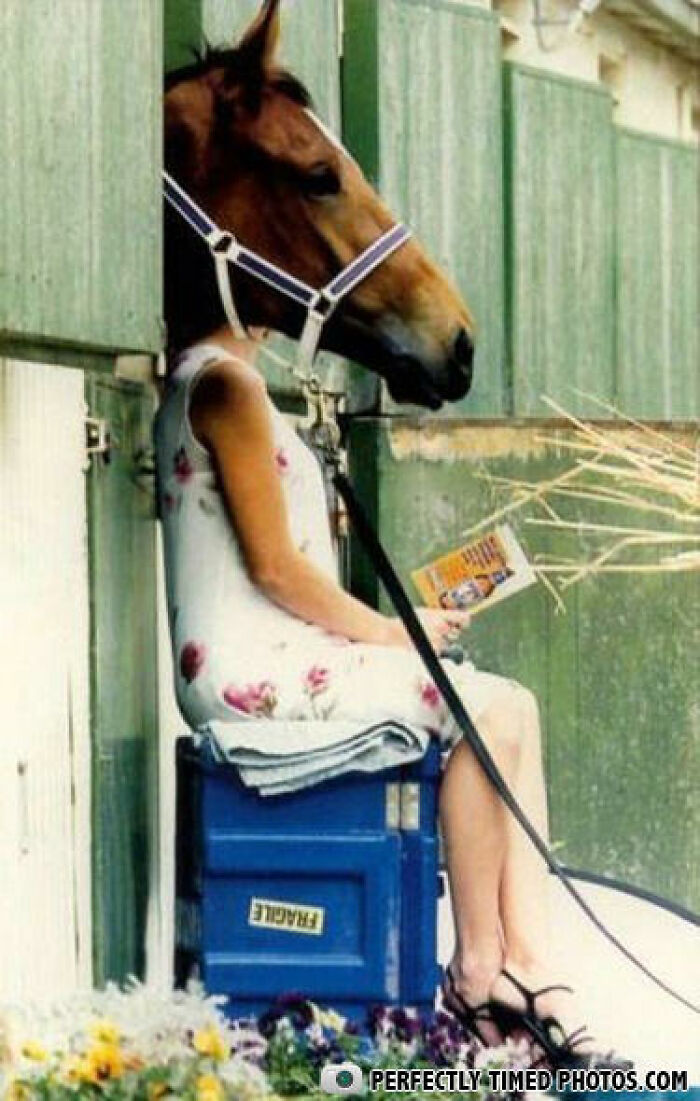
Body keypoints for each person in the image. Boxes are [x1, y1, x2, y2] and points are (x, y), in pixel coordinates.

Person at [155, 326, 602, 1065]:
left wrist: (386, 633)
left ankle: (525, 961)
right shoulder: (227, 387)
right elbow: (273, 568)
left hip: (276, 653)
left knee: (512, 705)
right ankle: (480, 967)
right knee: (482, 710)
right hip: (246, 670)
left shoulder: (217, 379)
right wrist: (390, 634)